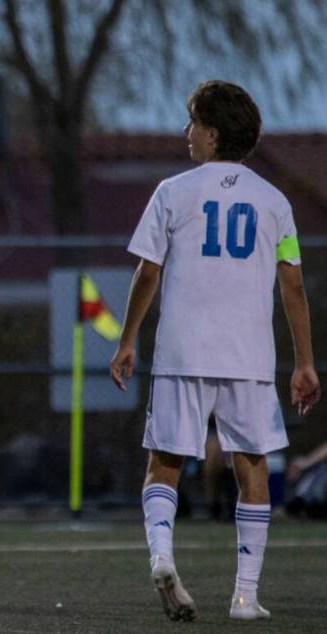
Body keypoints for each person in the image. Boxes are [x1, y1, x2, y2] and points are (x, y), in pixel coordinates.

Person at [109, 80, 320, 623]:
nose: (186, 134)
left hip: (183, 350)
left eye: (192, 124)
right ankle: (245, 597)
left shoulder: (172, 193)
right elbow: (292, 284)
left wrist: (128, 338)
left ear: (212, 132)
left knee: (164, 463)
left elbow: (147, 272)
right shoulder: (275, 203)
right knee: (252, 466)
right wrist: (304, 362)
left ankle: (162, 557)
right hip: (248, 356)